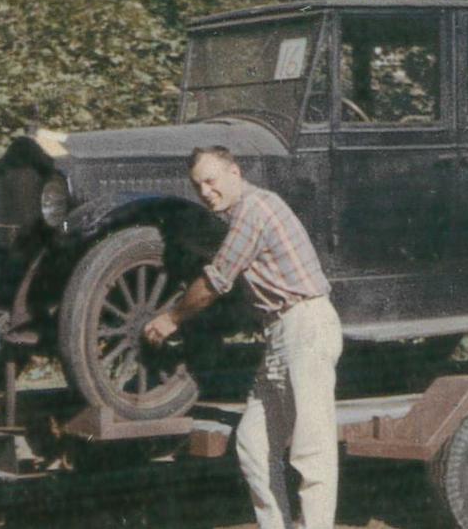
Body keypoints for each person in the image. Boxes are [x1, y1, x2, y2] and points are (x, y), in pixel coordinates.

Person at [144, 145, 343, 529]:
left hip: (306, 327)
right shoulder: (240, 216)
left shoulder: (255, 209)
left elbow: (217, 279)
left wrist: (172, 317)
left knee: (311, 448)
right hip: (280, 333)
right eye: (197, 185)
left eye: (212, 181)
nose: (205, 192)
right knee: (253, 442)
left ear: (235, 172)